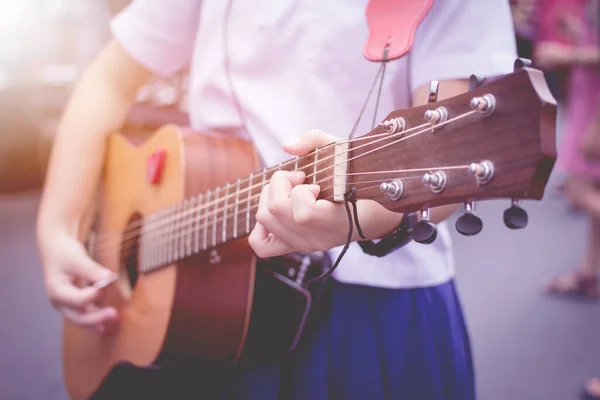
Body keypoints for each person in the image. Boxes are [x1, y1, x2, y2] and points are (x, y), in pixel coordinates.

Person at [36, 0, 518, 399]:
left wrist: (357, 218)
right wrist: (56, 229)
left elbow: (449, 150)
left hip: (364, 307)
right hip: (199, 299)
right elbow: (108, 79)